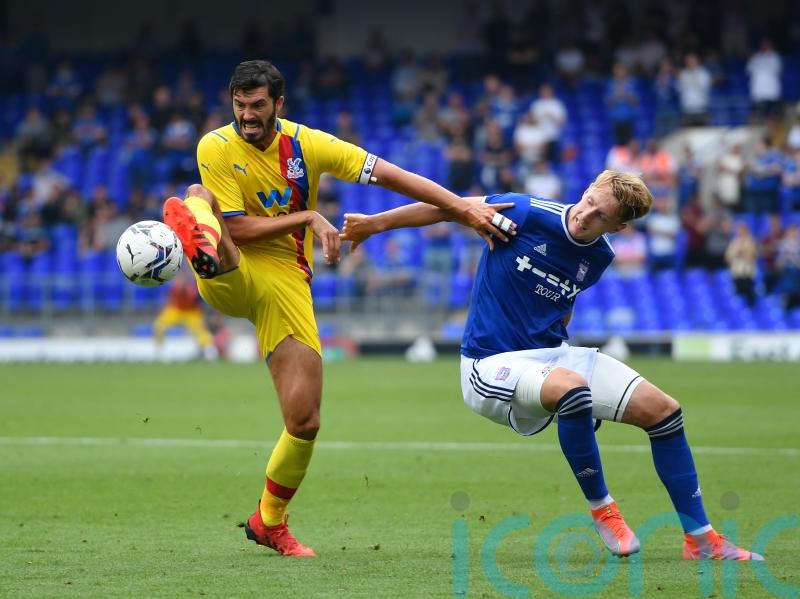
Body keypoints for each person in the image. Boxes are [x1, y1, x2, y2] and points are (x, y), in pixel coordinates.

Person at [161, 59, 514, 557]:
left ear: (278, 104)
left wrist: (462, 209)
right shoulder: (215, 145)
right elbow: (238, 228)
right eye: (239, 105)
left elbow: (394, 176)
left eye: (258, 105)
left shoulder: (310, 145)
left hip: (287, 282)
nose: (247, 116)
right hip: (234, 269)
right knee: (203, 199)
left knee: (304, 421)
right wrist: (307, 215)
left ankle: (268, 522)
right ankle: (196, 230)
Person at [341, 170, 763, 561]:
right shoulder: (524, 211)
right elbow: (446, 205)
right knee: (573, 388)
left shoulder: (599, 258)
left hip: (551, 357)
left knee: (665, 412)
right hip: (488, 364)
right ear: (584, 191)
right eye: (587, 201)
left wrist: (564, 378)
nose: (586, 215)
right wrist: (375, 224)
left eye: (601, 216)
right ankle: (604, 511)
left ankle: (701, 539)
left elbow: (562, 306)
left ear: (617, 228)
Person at [153, 269, 216, 360]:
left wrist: (202, 317)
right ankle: (159, 351)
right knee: (159, 325)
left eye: (181, 280)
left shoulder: (192, 291)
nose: (179, 282)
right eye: (178, 280)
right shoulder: (173, 288)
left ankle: (209, 351)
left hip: (192, 312)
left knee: (201, 331)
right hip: (176, 310)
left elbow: (200, 304)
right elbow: (168, 300)